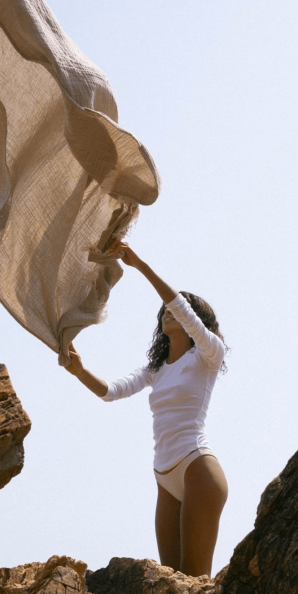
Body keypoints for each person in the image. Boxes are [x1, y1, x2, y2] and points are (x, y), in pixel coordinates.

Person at [64, 241, 228, 577]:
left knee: (196, 582)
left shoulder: (208, 355)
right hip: (165, 478)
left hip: (198, 469)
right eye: (164, 312)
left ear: (193, 320)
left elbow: (178, 304)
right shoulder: (155, 371)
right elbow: (110, 392)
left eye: (178, 310)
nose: (168, 312)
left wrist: (139, 265)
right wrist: (78, 370)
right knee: (172, 585)